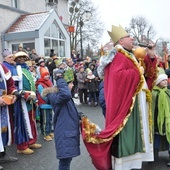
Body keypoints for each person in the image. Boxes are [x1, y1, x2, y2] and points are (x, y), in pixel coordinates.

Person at [81, 24, 153, 170]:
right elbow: (117, 78)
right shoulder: (119, 56)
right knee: (127, 133)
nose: (132, 38)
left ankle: (134, 162)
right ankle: (125, 164)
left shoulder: (129, 54)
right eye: (128, 36)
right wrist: (136, 72)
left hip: (134, 102)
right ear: (120, 41)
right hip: (127, 105)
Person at [42, 68, 81, 170]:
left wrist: (79, 115)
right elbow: (66, 94)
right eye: (71, 83)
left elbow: (67, 110)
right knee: (64, 161)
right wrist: (59, 79)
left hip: (67, 132)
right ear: (63, 85)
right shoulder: (58, 96)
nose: (72, 85)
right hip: (65, 133)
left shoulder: (61, 97)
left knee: (67, 159)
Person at [12, 51, 42, 155]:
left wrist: (34, 97)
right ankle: (22, 147)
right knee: (22, 123)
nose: (22, 59)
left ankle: (31, 141)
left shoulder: (26, 69)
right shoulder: (15, 70)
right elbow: (13, 86)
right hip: (21, 101)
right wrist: (25, 95)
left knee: (31, 121)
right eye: (19, 58)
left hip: (30, 100)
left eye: (23, 57)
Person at [0, 49, 22, 169]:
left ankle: (2, 154)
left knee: (3, 129)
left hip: (3, 106)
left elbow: (10, 83)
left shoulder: (2, 68)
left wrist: (13, 94)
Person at [152, 74, 170, 166]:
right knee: (157, 138)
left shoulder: (168, 92)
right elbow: (152, 108)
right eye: (163, 80)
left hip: (168, 121)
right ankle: (154, 156)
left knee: (169, 138)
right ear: (158, 82)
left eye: (166, 80)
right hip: (157, 122)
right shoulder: (154, 94)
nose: (166, 82)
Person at [36, 71, 54, 141]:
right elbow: (42, 95)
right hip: (44, 104)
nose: (47, 76)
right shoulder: (40, 84)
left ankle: (49, 131)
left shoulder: (49, 82)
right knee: (45, 120)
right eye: (45, 75)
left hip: (50, 104)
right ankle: (45, 134)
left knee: (49, 119)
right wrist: (49, 100)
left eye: (48, 75)